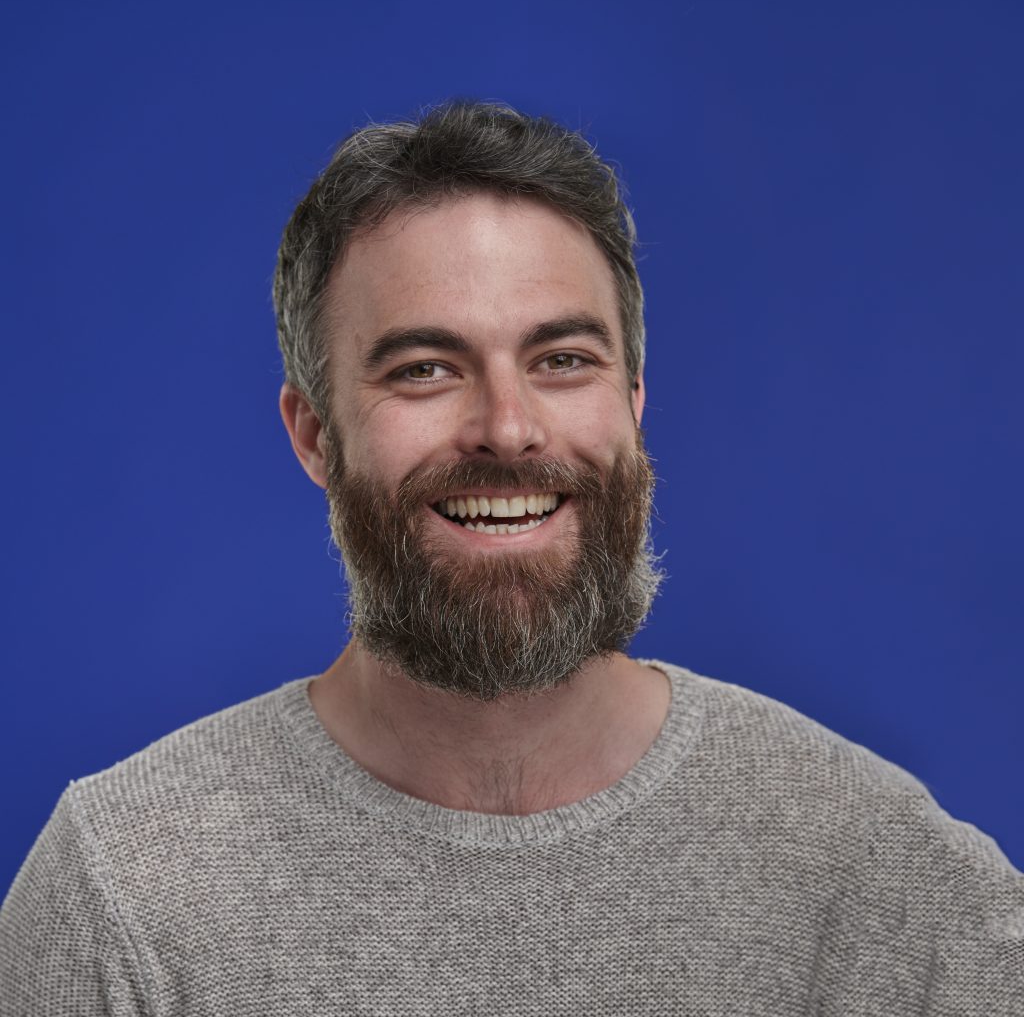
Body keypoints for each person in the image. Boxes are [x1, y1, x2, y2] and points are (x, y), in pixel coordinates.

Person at [2, 100, 1021, 1015]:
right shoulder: (125, 887)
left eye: (562, 360)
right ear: (315, 435)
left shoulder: (880, 874)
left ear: (631, 406)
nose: (507, 426)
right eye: (425, 367)